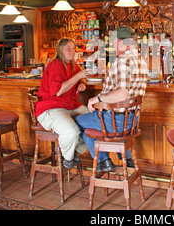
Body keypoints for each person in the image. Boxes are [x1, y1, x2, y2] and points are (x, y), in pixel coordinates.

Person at [75, 26, 148, 172]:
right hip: (130, 121)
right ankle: (127, 158)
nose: (113, 46)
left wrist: (97, 98)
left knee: (76, 124)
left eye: (114, 42)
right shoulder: (141, 60)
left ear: (121, 42)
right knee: (89, 125)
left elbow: (122, 93)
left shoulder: (123, 61)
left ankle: (103, 161)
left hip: (114, 120)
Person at [35, 38, 91, 168]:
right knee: (72, 132)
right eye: (68, 48)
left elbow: (81, 74)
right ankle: (67, 158)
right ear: (61, 50)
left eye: (73, 48)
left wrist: (82, 82)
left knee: (94, 122)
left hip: (70, 105)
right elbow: (59, 91)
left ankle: (66, 149)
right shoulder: (55, 65)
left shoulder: (72, 64)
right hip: (51, 107)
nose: (72, 51)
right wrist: (78, 77)